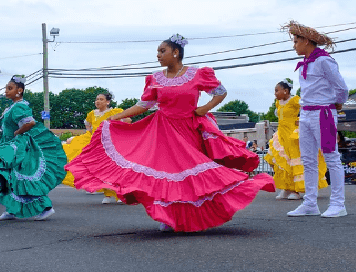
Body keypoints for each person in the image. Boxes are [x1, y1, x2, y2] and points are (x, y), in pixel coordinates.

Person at [66, 35, 274, 232]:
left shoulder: (197, 74)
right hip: (163, 131)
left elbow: (220, 92)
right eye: (157, 51)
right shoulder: (156, 78)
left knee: (189, 176)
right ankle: (169, 217)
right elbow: (144, 105)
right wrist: (115, 118)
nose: (158, 55)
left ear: (175, 52)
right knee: (167, 174)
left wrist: (204, 108)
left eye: (162, 51)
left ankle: (189, 217)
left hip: (189, 129)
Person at [0, 76, 67, 221]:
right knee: (9, 178)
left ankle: (46, 207)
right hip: (9, 145)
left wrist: (18, 132)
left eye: (10, 88)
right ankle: (12, 209)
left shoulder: (19, 106)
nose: (6, 91)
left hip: (17, 147)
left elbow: (30, 122)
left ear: (19, 91)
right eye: (6, 88)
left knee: (21, 178)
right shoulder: (12, 107)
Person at [284, 21, 349, 218]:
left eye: (296, 41)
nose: (294, 45)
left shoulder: (324, 61)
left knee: (331, 158)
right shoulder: (307, 62)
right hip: (305, 114)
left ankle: (338, 204)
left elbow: (342, 88)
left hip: (323, 113)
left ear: (306, 41)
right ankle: (310, 203)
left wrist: (337, 103)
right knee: (308, 160)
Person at [265, 81, 327, 201]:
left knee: (293, 162)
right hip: (281, 135)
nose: (275, 93)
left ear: (286, 91)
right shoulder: (278, 103)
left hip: (292, 135)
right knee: (279, 161)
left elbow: (308, 109)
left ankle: (296, 190)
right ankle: (286, 188)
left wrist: (303, 121)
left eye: (277, 90)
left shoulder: (295, 100)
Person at [62, 91, 128, 203]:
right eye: (97, 99)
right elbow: (89, 128)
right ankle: (107, 194)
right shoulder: (92, 114)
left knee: (112, 169)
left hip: (110, 144)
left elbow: (127, 120)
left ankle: (119, 193)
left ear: (108, 102)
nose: (98, 101)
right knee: (98, 169)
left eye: (101, 99)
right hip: (96, 144)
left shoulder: (115, 112)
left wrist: (117, 128)